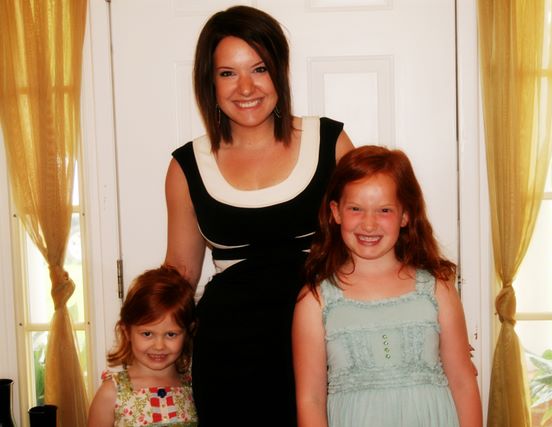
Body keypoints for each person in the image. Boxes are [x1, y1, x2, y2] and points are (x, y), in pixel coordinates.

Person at [163, 5, 354, 425]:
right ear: (209, 82)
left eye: (259, 68)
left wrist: (424, 318)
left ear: (279, 72)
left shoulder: (330, 142)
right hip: (229, 359)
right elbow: (180, 274)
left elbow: (375, 240)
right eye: (227, 73)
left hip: (327, 345)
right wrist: (147, 349)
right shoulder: (187, 166)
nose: (246, 87)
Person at [292, 145, 482, 427]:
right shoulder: (314, 301)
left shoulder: (437, 289)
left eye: (384, 210)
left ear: (405, 215)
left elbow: (463, 382)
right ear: (336, 212)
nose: (369, 224)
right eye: (355, 209)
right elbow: (311, 400)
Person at [87, 266, 198, 426]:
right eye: (147, 334)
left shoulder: (193, 385)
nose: (159, 346)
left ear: (188, 332)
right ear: (127, 331)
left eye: (171, 334)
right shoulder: (112, 393)